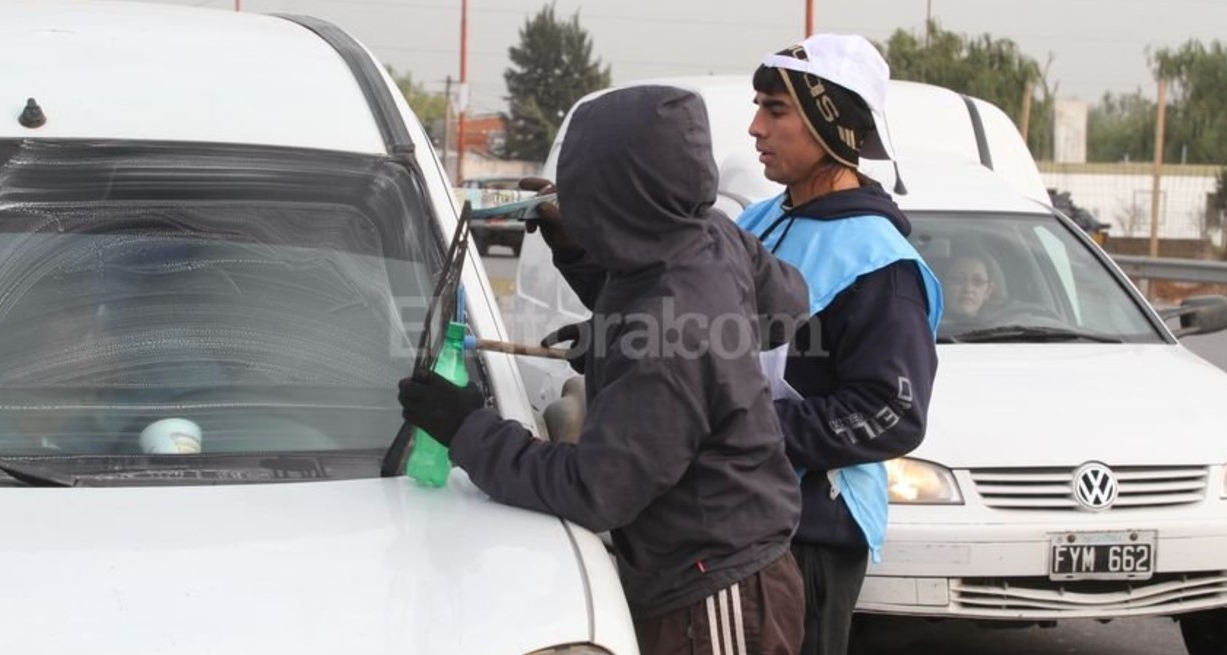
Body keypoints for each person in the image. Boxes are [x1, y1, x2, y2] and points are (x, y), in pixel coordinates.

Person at [399, 85, 811, 654]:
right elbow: (784, 306)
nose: (580, 205)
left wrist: (469, 429)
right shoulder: (702, 232)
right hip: (726, 562)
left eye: (587, 193)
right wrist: (600, 296)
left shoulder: (670, 333)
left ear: (620, 197)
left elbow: (596, 490)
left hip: (715, 592)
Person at [735, 34, 944, 655]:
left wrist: (746, 426)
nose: (754, 127)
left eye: (775, 110)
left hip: (812, 533)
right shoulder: (762, 219)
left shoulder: (881, 262)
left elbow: (894, 413)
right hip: (741, 511)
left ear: (832, 123)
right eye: (759, 106)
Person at [942, 250, 1002, 321]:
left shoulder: (1006, 323)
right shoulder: (927, 325)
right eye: (958, 279)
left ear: (988, 291)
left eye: (978, 281)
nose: (968, 289)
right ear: (943, 285)